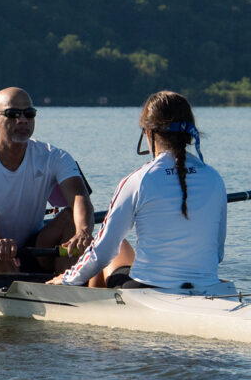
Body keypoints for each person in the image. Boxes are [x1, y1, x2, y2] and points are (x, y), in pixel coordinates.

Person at [51, 91, 226, 289]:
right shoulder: (214, 178)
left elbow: (102, 252)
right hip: (210, 287)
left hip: (149, 290)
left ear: (148, 133)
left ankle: (87, 308)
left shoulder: (139, 180)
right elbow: (218, 253)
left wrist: (66, 279)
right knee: (122, 246)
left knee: (113, 246)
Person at [0, 87, 94, 274]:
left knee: (73, 217)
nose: (22, 120)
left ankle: (67, 286)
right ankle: (12, 285)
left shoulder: (55, 157)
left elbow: (79, 197)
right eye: (12, 113)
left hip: (29, 249)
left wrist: (84, 231)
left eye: (29, 114)